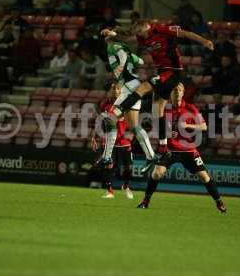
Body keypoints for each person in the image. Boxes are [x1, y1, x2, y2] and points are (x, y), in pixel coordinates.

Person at [105, 20, 213, 173]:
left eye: (138, 30)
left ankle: (117, 111)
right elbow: (128, 38)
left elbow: (185, 33)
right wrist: (113, 33)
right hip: (161, 72)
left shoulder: (161, 30)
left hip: (173, 71)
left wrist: (204, 41)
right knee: (158, 112)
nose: (137, 33)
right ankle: (163, 149)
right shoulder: (143, 37)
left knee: (143, 87)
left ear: (146, 26)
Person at [137, 83, 226, 213]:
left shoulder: (190, 108)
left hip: (188, 150)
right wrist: (167, 132)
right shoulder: (164, 107)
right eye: (174, 90)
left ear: (183, 92)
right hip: (170, 149)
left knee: (204, 176)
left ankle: (219, 202)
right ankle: (145, 201)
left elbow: (204, 126)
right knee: (157, 173)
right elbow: (159, 125)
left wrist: (188, 126)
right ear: (171, 92)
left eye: (180, 90)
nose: (177, 92)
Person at [98, 27, 156, 169]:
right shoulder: (124, 47)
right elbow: (141, 61)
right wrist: (130, 58)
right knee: (134, 126)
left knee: (110, 119)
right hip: (135, 84)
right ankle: (151, 156)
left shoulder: (114, 46)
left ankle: (106, 157)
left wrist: (120, 68)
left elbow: (122, 56)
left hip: (128, 86)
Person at [91, 83, 134, 199]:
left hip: (124, 140)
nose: (115, 90)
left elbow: (133, 121)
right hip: (109, 140)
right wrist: (94, 137)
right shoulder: (105, 105)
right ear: (110, 90)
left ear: (121, 91)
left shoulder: (127, 104)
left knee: (128, 168)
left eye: (118, 88)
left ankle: (125, 186)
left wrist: (132, 132)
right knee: (108, 165)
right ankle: (110, 191)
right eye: (113, 88)